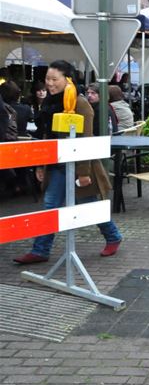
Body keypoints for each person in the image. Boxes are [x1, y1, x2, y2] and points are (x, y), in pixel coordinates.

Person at [13, 60, 124, 265]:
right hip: (56, 164)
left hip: (79, 165)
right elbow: (46, 136)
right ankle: (40, 250)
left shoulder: (80, 103)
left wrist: (83, 172)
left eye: (55, 79)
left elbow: (86, 139)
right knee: (50, 206)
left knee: (87, 204)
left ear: (68, 79)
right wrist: (41, 164)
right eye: (47, 78)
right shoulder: (49, 102)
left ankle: (113, 236)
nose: (50, 83)